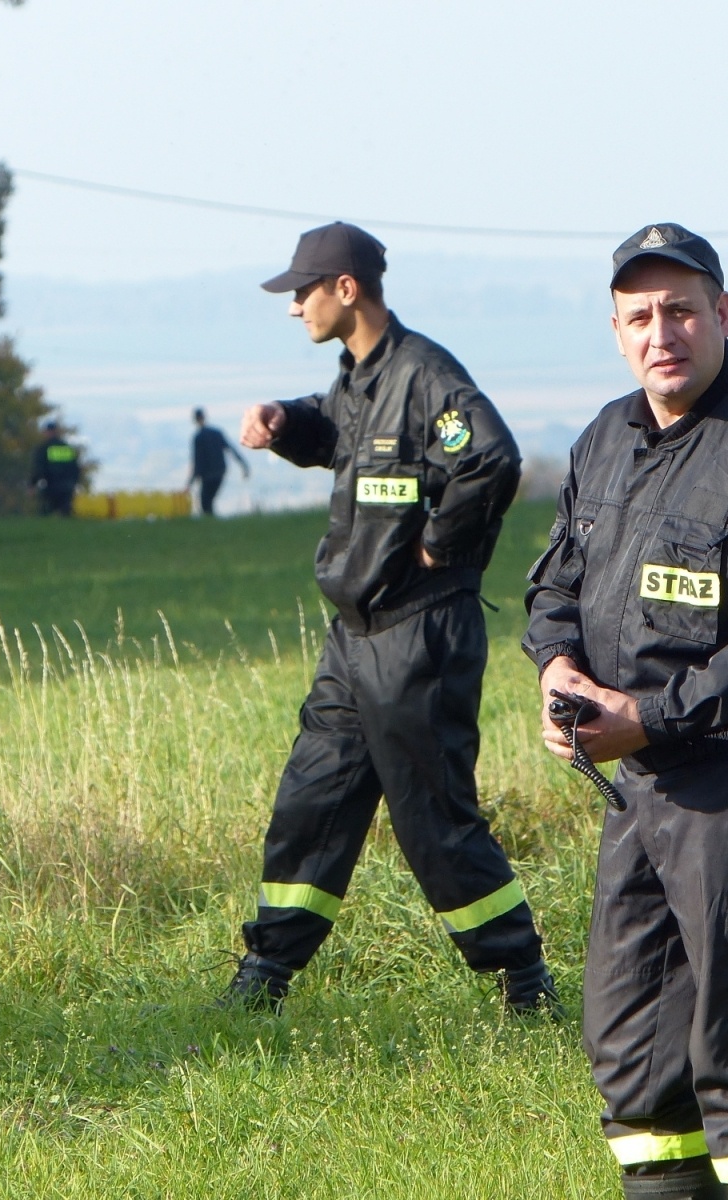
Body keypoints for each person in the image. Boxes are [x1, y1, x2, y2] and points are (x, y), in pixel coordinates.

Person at [524, 222, 728, 1200]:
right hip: (640, 788)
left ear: (723, 314)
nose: (661, 333)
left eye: (681, 311)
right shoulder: (603, 441)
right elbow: (555, 584)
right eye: (640, 317)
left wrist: (651, 717)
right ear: (616, 331)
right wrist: (559, 669)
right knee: (634, 1055)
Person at [223, 221, 555, 1016]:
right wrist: (283, 421)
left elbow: (491, 459)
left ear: (346, 289)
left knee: (433, 822)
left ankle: (522, 978)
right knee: (311, 802)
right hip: (353, 637)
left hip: (419, 637)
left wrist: (441, 545)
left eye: (303, 291)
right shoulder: (359, 377)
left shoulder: (425, 375)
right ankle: (266, 973)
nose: (294, 306)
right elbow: (333, 429)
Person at [189, 406, 250, 516]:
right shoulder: (216, 433)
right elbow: (231, 449)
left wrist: (190, 482)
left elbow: (197, 462)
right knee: (208, 501)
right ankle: (211, 522)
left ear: (195, 420)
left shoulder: (198, 438)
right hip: (220, 472)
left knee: (205, 502)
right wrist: (244, 466)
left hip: (207, 475)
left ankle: (210, 522)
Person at [30, 419, 81, 516]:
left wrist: (32, 484)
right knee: (65, 514)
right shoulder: (67, 448)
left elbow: (39, 469)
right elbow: (75, 469)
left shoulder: (44, 448)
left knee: (45, 514)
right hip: (67, 487)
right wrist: (74, 483)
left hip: (51, 486)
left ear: (47, 432)